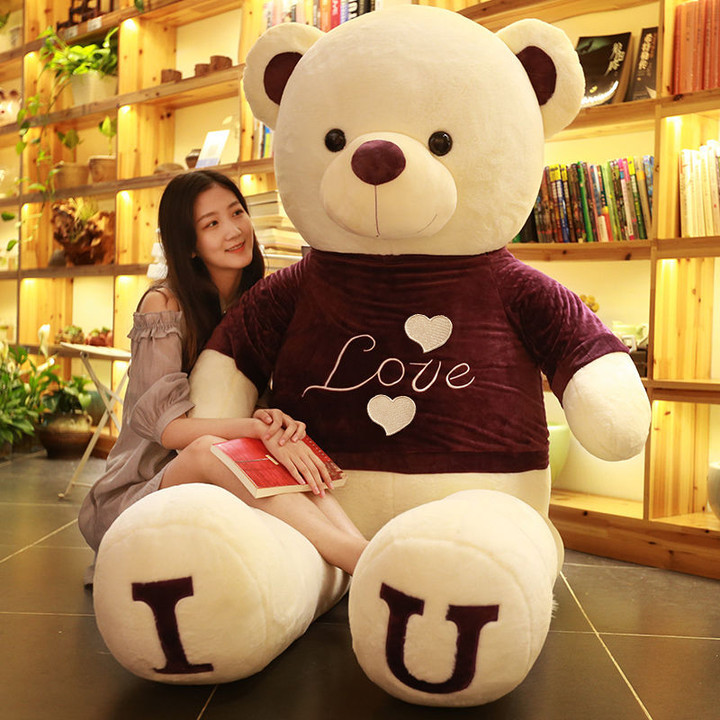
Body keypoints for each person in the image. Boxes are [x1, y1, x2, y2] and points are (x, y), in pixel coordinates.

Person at [78, 170, 368, 577]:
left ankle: (363, 551)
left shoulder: (258, 303)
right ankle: (355, 558)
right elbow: (169, 431)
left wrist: (271, 422)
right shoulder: (164, 305)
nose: (234, 230)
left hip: (223, 469)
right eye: (211, 224)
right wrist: (253, 429)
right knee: (208, 448)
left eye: (236, 213)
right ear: (189, 245)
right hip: (139, 491)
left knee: (283, 444)